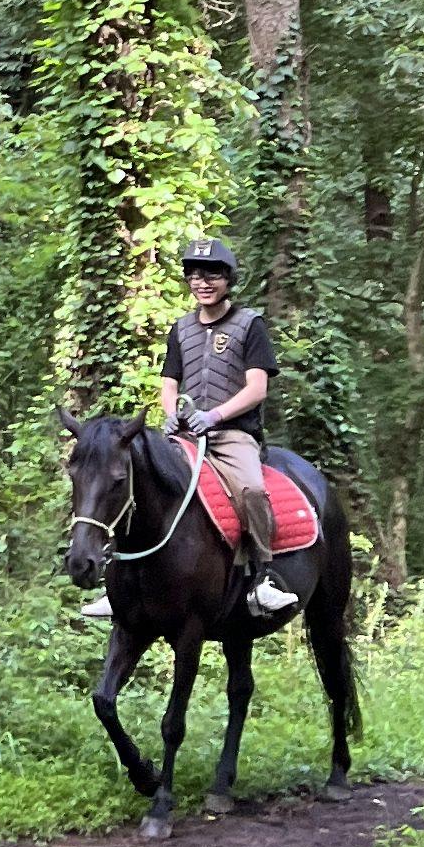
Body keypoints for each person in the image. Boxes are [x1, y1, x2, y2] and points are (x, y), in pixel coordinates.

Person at [161, 237, 298, 620]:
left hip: (232, 435)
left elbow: (257, 387)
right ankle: (118, 579)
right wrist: (172, 413)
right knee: (135, 478)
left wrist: (216, 416)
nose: (203, 282)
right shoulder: (181, 328)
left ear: (228, 279)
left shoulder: (249, 324)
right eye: (195, 275)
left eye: (213, 275)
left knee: (252, 490)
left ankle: (264, 576)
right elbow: (169, 382)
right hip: (187, 433)